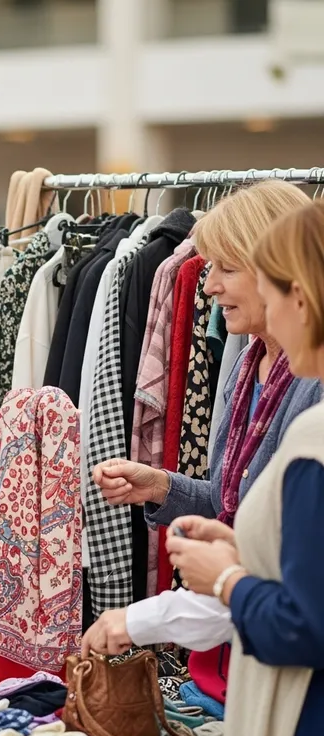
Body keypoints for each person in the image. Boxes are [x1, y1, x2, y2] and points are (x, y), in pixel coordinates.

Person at [82, 182, 321, 703]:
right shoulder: (244, 367)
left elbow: (288, 541)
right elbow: (234, 502)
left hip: (278, 652)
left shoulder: (313, 387)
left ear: (281, 273)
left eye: (226, 269)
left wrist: (150, 616)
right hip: (227, 652)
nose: (207, 286)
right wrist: (162, 487)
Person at [167, 200, 324, 736]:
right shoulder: (247, 365)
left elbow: (304, 623)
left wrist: (230, 576)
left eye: (248, 273)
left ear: (299, 299)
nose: (208, 288)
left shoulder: (313, 436)